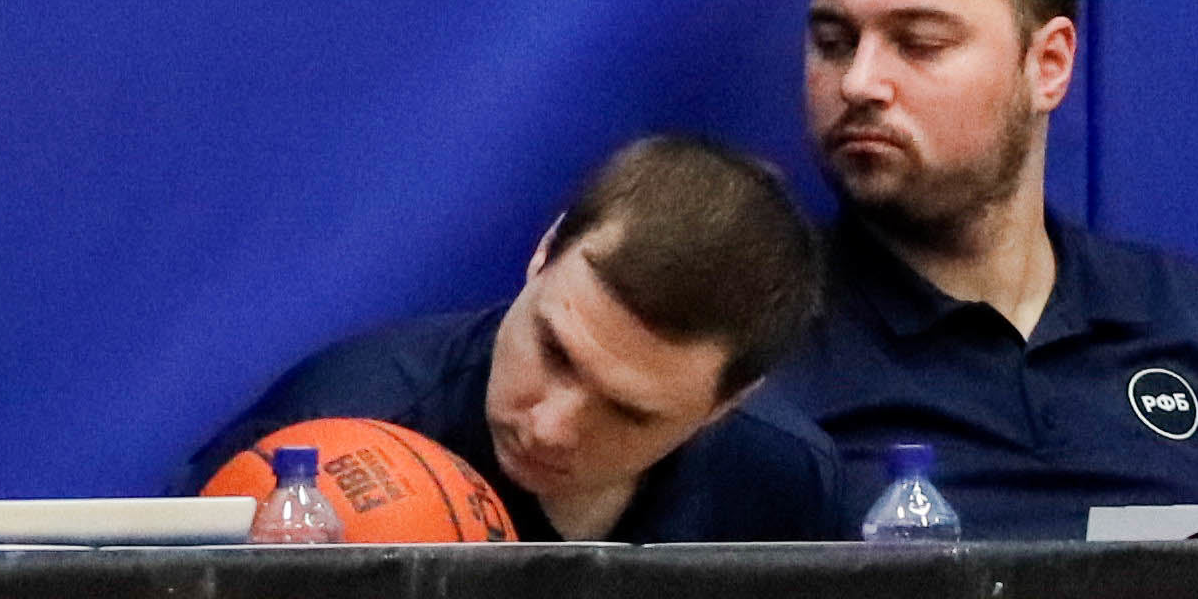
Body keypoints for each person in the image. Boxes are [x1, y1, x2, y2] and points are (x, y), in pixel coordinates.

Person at [753, 0, 1198, 534]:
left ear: (1048, 65)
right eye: (834, 42)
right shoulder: (753, 346)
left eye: (920, 42)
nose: (860, 83)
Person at [185, 135, 837, 542]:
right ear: (544, 253)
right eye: (555, 352)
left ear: (726, 404)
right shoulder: (326, 430)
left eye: (628, 412)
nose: (549, 427)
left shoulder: (783, 482)